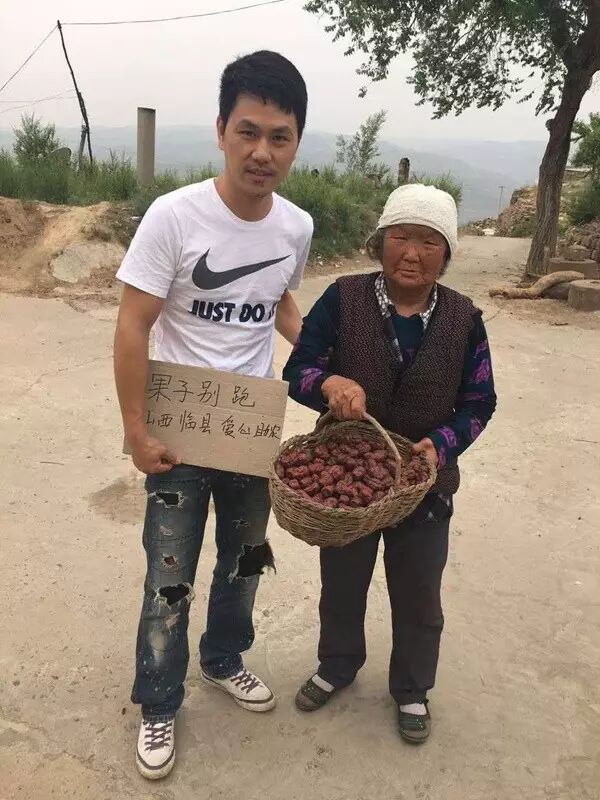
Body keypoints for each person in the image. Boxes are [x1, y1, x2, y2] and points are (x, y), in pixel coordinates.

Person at [114, 51, 312, 780]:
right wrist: (136, 431)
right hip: (178, 430)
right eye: (248, 131)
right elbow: (133, 324)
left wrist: (318, 355)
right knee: (169, 571)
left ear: (296, 143)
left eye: (280, 136)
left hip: (250, 430)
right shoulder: (174, 216)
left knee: (245, 560)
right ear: (222, 130)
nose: (262, 151)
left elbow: (277, 300)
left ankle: (223, 659)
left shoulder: (295, 227)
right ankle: (159, 699)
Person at [282, 184, 496, 744]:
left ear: (446, 254)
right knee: (342, 581)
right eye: (401, 237)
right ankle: (337, 665)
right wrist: (328, 383)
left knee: (420, 589)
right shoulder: (343, 298)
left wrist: (442, 443)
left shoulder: (465, 319)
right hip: (348, 476)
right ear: (380, 243)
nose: (413, 253)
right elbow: (299, 368)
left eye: (430, 242)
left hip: (425, 482)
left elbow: (480, 401)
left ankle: (412, 687)